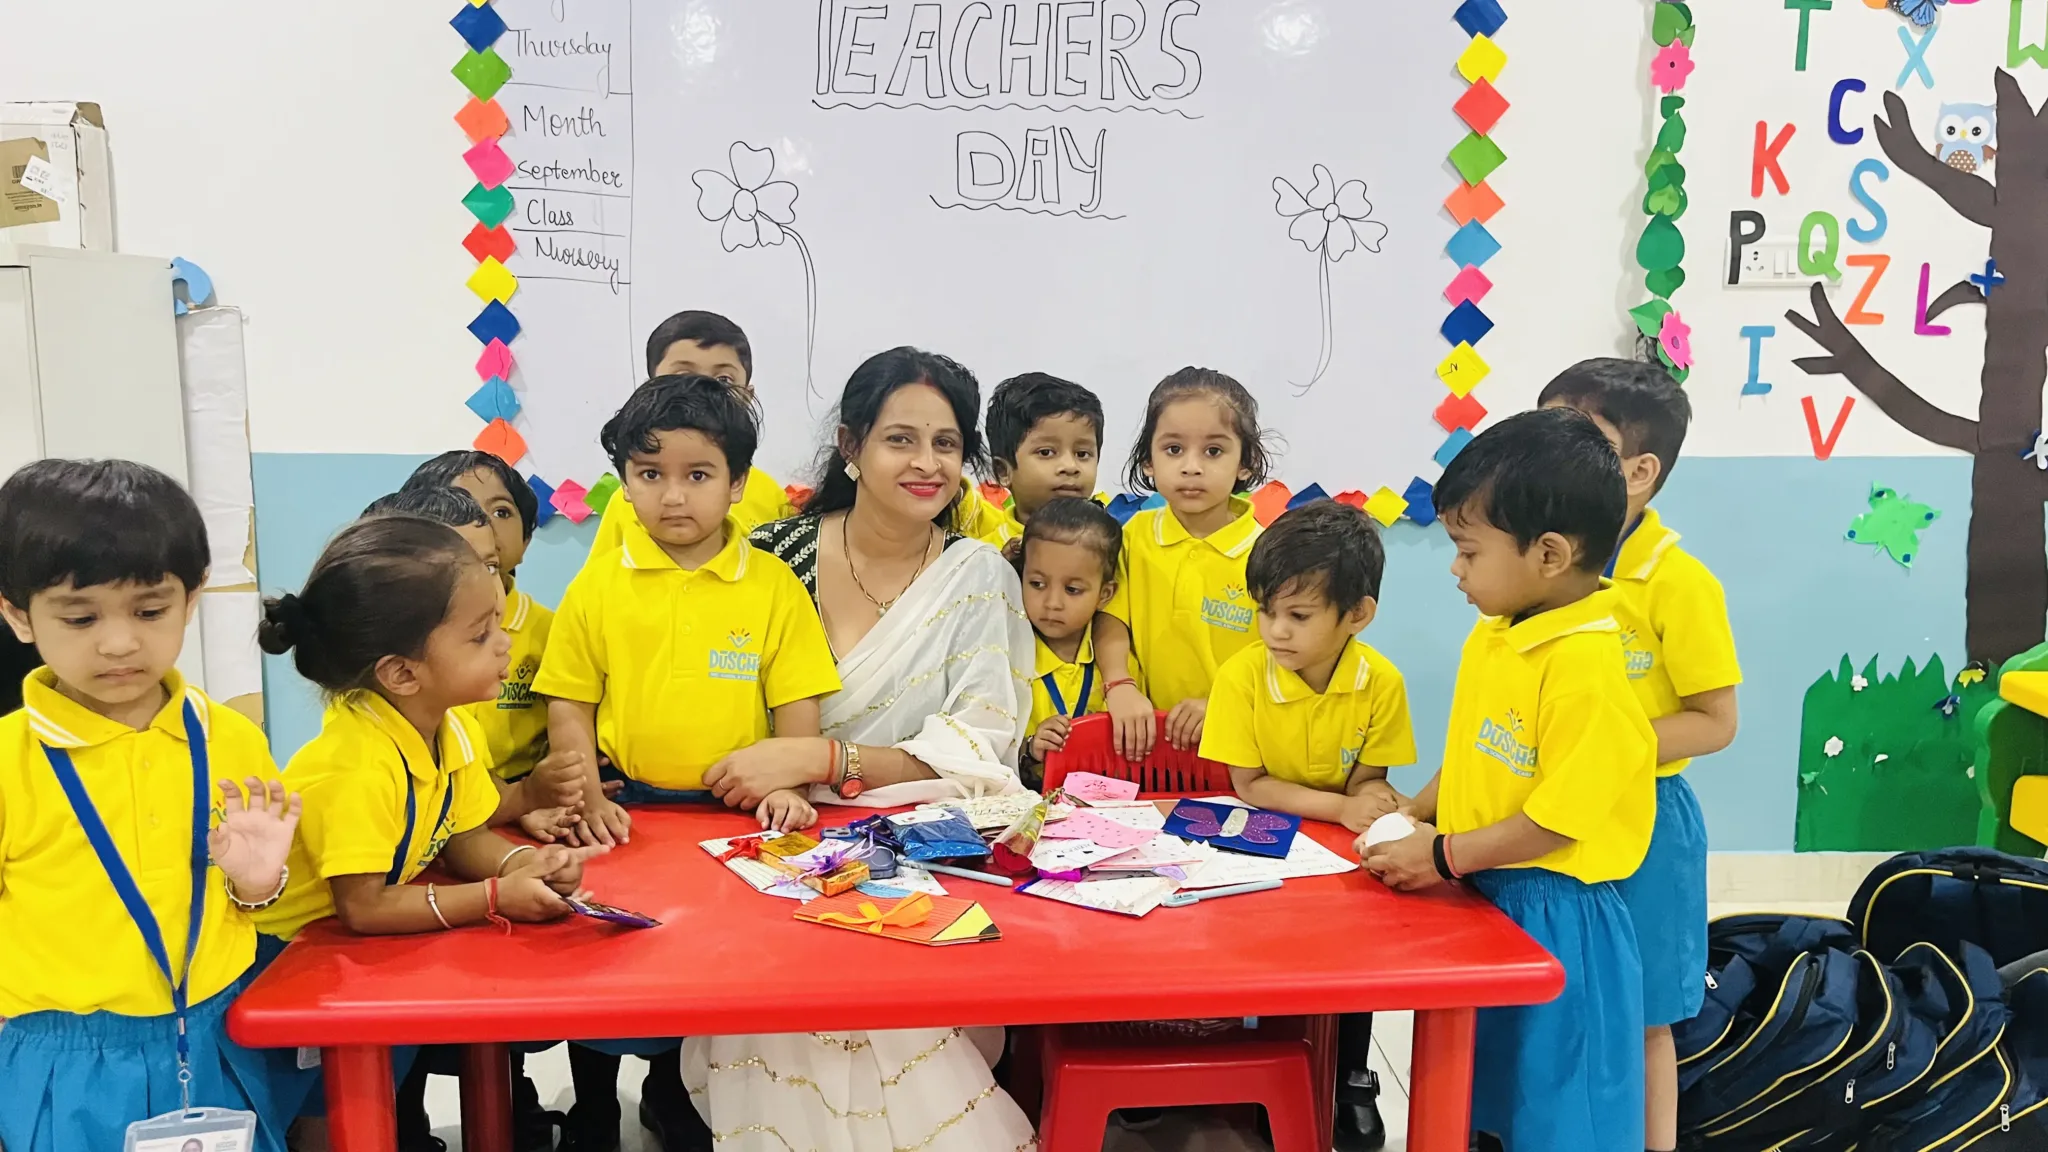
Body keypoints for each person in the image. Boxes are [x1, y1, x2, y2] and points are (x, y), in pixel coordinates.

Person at [682, 345, 1038, 1150]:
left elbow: (978, 752)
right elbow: (724, 710)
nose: (926, 463)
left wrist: (826, 762)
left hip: (926, 846)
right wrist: (789, 782)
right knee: (784, 1002)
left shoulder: (977, 574)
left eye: (946, 444)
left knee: (884, 1010)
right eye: (900, 439)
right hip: (773, 835)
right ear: (851, 446)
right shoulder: (776, 557)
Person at [535, 374, 843, 1151]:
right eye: (650, 475)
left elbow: (795, 703)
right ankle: (594, 1107)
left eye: (698, 475)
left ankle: (679, 1099)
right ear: (626, 483)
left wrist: (793, 786)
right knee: (603, 962)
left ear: (739, 484)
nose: (673, 497)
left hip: (730, 819)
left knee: (707, 974)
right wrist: (581, 797)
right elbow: (569, 701)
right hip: (623, 815)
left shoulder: (772, 587)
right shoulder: (598, 584)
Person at [253, 516, 602, 1151]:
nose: (504, 646)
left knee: (371, 1093)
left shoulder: (448, 724)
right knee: (321, 1121)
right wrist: (496, 900)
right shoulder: (355, 762)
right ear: (402, 673)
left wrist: (525, 862)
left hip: (356, 956)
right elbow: (364, 905)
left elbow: (461, 834)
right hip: (285, 964)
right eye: (480, 635)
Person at [1361, 407, 1656, 1152]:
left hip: (1561, 916)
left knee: (1557, 1111)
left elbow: (1560, 819)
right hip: (1485, 882)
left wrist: (1439, 855)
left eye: (1467, 551)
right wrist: (1412, 809)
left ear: (1549, 554)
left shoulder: (1589, 670)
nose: (1455, 569)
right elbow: (1474, 754)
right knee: (1487, 1097)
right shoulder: (1500, 632)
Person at [0, 459, 302, 1152]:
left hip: (219, 1036)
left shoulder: (229, 738)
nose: (120, 642)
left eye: (150, 610)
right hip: (59, 1055)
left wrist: (258, 886)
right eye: (80, 616)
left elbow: (253, 904)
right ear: (18, 616)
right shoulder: (9, 761)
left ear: (192, 600)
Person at [1540, 357, 1740, 1152]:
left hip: (1648, 825)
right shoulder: (1540, 564)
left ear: (1638, 470)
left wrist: (1603, 747)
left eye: (1575, 439)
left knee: (1647, 1015)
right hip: (1551, 819)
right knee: (1554, 999)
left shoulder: (1678, 582)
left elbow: (1715, 721)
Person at [1199, 498, 1414, 1150]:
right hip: (1263, 837)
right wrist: (1346, 808)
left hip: (1338, 848)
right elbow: (1249, 785)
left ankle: (1351, 1075)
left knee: (1356, 960)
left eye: (1297, 616)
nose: (1275, 630)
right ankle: (1259, 1066)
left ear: (1357, 615)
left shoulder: (1382, 683)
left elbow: (1369, 780)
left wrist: (1374, 806)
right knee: (1262, 958)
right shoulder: (1241, 677)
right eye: (1266, 611)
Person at [1093, 367, 1276, 755]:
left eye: (1214, 451)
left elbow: (1281, 660)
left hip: (1236, 745)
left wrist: (1225, 707)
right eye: (1173, 449)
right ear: (1148, 460)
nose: (1191, 466)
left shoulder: (1269, 554)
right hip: (1142, 742)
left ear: (1245, 463)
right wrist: (1119, 685)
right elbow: (1111, 618)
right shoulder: (1132, 536)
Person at [584, 311, 797, 564]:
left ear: (747, 396)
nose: (703, 391)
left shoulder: (770, 496)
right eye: (684, 376)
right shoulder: (627, 499)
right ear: (651, 390)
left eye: (724, 380)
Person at [401, 450, 556, 786]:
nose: (483, 524)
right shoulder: (411, 628)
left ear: (527, 539)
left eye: (502, 511)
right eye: (463, 507)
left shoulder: (552, 629)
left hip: (524, 785)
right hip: (431, 787)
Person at [1016, 497, 1121, 785]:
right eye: (1037, 584)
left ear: (1105, 594)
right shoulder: (1007, 659)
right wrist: (1029, 748)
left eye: (1072, 589)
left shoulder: (1119, 667)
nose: (1052, 603)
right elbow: (983, 750)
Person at [975, 371, 1107, 545]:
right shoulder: (984, 557)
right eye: (1046, 452)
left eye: (1082, 454)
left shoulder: (1115, 546)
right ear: (1003, 471)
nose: (1070, 466)